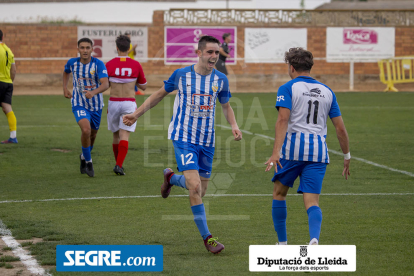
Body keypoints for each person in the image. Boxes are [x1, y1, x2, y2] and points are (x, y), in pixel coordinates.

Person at [123, 35, 242, 254]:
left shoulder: (220, 79)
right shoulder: (182, 75)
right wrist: (136, 114)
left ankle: (170, 178)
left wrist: (234, 124)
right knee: (195, 186)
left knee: (200, 190)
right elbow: (159, 95)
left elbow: (225, 105)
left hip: (207, 140)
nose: (214, 56)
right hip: (183, 136)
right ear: (199, 53)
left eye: (216, 52)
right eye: (209, 52)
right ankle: (208, 238)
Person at [265, 47, 350, 245]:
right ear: (309, 67)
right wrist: (346, 156)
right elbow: (340, 129)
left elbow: (282, 120)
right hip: (319, 152)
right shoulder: (328, 92)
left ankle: (283, 243)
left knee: (279, 193)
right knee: (312, 202)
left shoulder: (288, 88)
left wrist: (275, 152)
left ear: (292, 67)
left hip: (292, 150)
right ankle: (314, 239)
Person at [63, 38, 109, 177]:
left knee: (93, 135)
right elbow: (66, 72)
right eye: (82, 47)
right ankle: (89, 162)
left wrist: (93, 92)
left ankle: (83, 156)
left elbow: (106, 84)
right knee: (86, 129)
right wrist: (65, 88)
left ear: (92, 49)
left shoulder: (98, 64)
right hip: (79, 103)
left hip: (95, 105)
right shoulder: (72, 63)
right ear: (78, 49)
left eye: (87, 47)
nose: (84, 50)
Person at [106, 35, 147, 175]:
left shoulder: (109, 64)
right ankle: (119, 165)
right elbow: (143, 86)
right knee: (125, 134)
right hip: (128, 102)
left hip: (113, 102)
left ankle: (117, 163)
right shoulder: (136, 65)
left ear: (116, 47)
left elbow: (104, 85)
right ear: (129, 48)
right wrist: (132, 81)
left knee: (116, 134)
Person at [0, 29, 18, 144]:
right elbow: (14, 70)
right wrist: (10, 82)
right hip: (7, 83)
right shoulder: (8, 50)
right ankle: (13, 137)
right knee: (7, 108)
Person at [124, 31, 144, 96]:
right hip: (127, 62)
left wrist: (134, 49)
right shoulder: (124, 45)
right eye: (128, 37)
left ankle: (135, 90)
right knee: (131, 77)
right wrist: (132, 48)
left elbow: (134, 54)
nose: (129, 38)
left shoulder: (130, 44)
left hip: (132, 62)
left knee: (134, 76)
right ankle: (135, 90)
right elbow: (126, 53)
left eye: (130, 37)